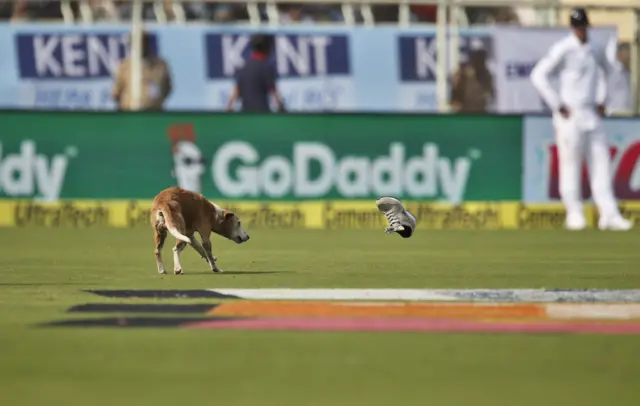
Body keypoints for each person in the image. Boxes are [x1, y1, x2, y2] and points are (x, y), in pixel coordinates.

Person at [530, 8, 632, 231]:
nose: (581, 31)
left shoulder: (595, 47)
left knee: (601, 164)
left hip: (592, 114)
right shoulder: (563, 49)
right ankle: (574, 214)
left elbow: (608, 72)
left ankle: (609, 214)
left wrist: (604, 99)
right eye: (577, 27)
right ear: (571, 28)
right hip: (570, 116)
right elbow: (538, 75)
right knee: (570, 165)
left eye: (583, 27)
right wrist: (556, 104)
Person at [112, 30, 173, 111]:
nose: (140, 46)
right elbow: (116, 92)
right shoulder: (125, 67)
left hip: (154, 113)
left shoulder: (160, 66)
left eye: (143, 42)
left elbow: (167, 88)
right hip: (130, 112)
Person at [226, 34, 286, 113]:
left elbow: (235, 91)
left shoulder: (243, 67)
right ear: (267, 48)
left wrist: (229, 108)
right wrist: (281, 107)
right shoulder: (267, 68)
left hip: (245, 114)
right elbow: (273, 92)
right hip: (262, 115)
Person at [450, 39, 494, 113]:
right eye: (477, 60)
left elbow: (490, 95)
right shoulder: (463, 75)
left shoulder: (487, 75)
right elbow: (455, 100)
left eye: (481, 61)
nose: (479, 64)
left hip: (481, 115)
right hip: (465, 115)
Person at [606, 41, 633, 115]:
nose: (630, 55)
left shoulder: (631, 73)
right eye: (627, 50)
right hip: (614, 116)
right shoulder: (613, 73)